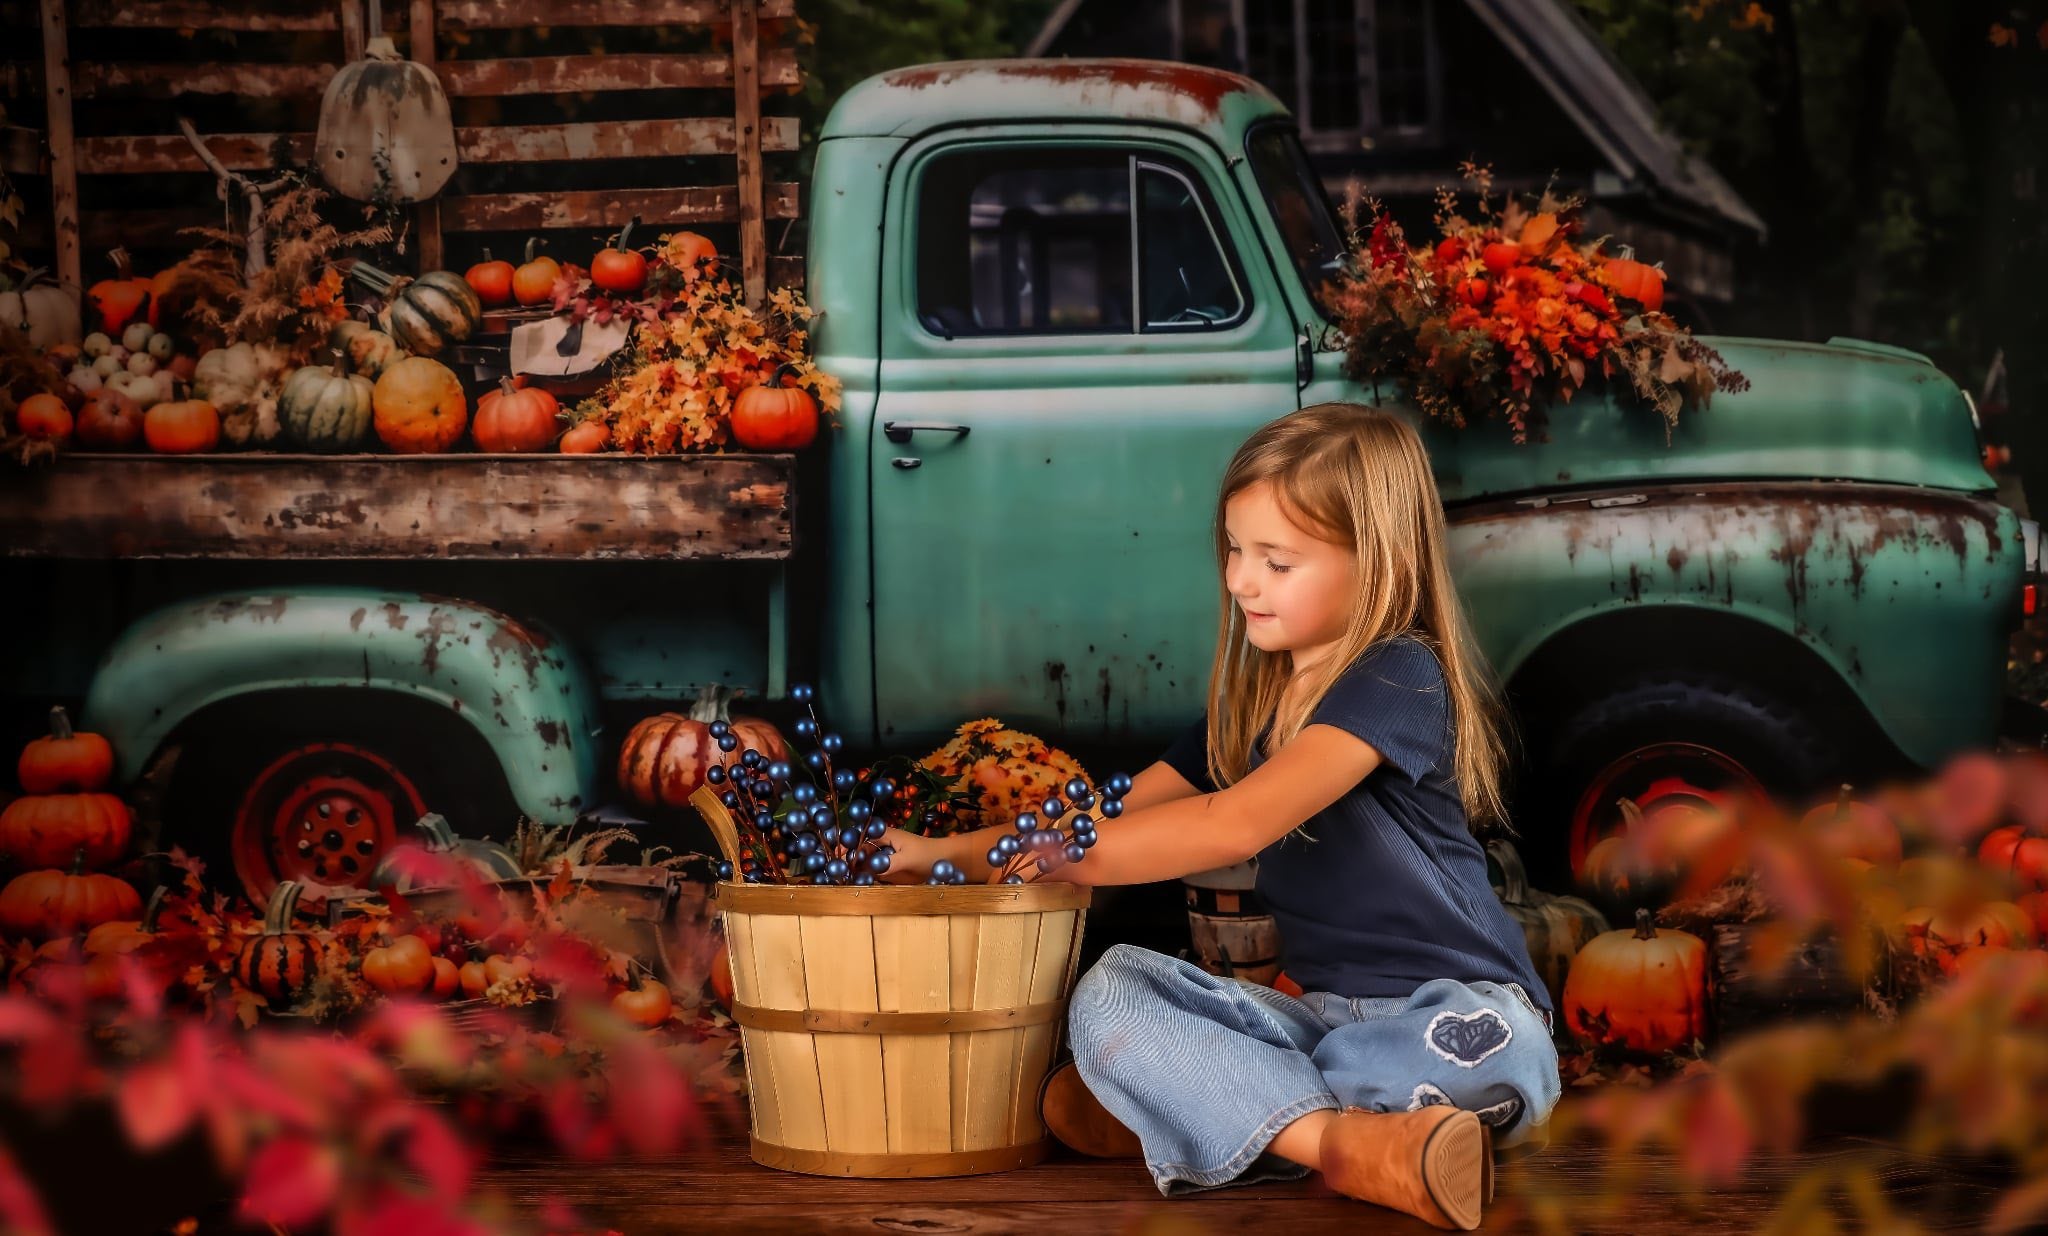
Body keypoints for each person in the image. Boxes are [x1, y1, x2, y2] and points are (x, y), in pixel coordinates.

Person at [880, 403, 1560, 1230]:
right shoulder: (1255, 707)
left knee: (1504, 1052)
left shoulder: (1398, 678)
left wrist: (1081, 856)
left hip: (1444, 1016)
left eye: (1277, 561)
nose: (1240, 580)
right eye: (1236, 551)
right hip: (1317, 1028)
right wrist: (936, 852)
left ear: (1374, 564)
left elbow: (1235, 824)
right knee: (1114, 993)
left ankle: (1228, 1118)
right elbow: (1105, 808)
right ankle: (1352, 1145)